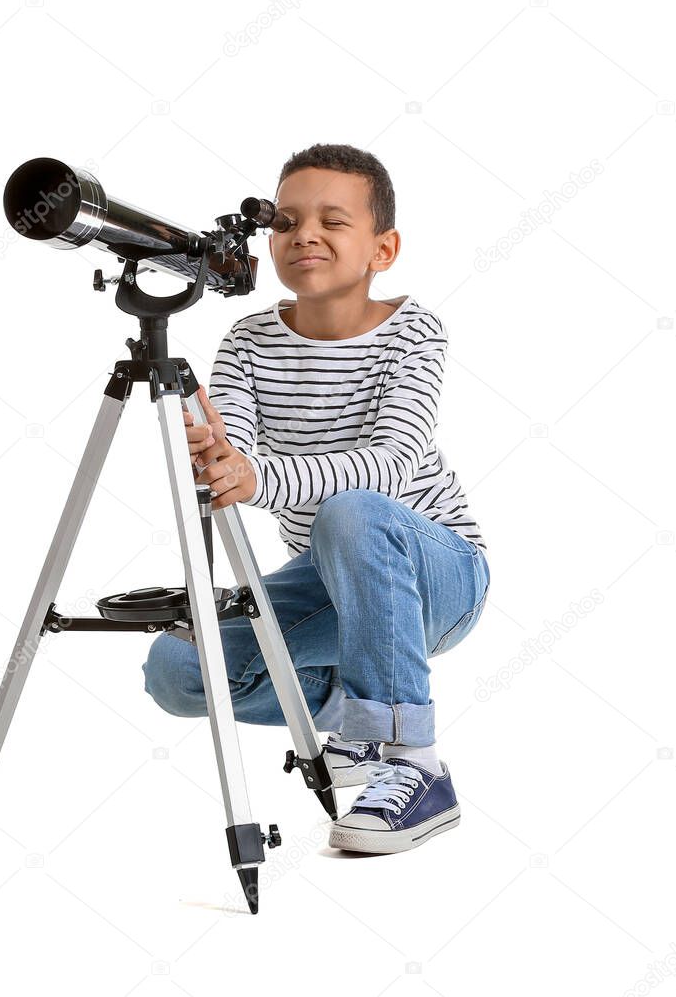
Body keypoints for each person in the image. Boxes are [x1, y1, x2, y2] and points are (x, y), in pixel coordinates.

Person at [141, 143, 490, 855]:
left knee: (353, 508)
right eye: (287, 221)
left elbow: (389, 468)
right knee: (179, 668)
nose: (305, 234)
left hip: (438, 576)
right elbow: (232, 455)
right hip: (332, 585)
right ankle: (358, 715)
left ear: (382, 247)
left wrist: (257, 477)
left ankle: (413, 762)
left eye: (334, 220)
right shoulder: (246, 341)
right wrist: (211, 452)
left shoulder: (413, 332)